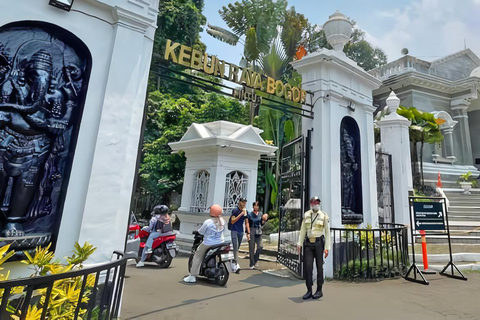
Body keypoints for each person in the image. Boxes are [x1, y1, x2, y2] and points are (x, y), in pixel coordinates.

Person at [297, 196, 331, 300]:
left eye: (317, 202)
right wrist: (299, 244)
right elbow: (303, 230)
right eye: (314, 202)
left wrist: (327, 247)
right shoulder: (306, 215)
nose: (316, 204)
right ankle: (309, 290)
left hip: (318, 243)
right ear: (311, 203)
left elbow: (327, 233)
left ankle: (319, 290)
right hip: (308, 243)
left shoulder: (324, 216)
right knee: (308, 267)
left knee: (319, 267)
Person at [183, 204, 225, 283]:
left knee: (197, 256)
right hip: (221, 242)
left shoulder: (208, 222)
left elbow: (201, 232)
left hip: (209, 243)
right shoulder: (222, 221)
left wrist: (197, 232)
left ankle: (192, 276)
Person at [246, 201, 268, 269]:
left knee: (260, 247)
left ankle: (255, 260)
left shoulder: (260, 214)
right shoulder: (249, 214)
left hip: (259, 231)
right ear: (253, 207)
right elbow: (247, 224)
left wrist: (264, 220)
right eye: (255, 206)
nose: (256, 207)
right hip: (252, 230)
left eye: (257, 206)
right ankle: (251, 263)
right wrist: (248, 233)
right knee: (251, 248)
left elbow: (261, 223)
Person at [229, 197, 248, 272]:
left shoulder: (245, 211)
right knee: (235, 246)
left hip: (240, 231)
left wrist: (247, 232)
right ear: (239, 202)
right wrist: (241, 214)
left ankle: (233, 260)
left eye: (245, 202)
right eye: (243, 202)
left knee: (237, 247)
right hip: (234, 230)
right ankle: (236, 264)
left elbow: (246, 221)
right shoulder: (235, 210)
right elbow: (233, 221)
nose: (244, 204)